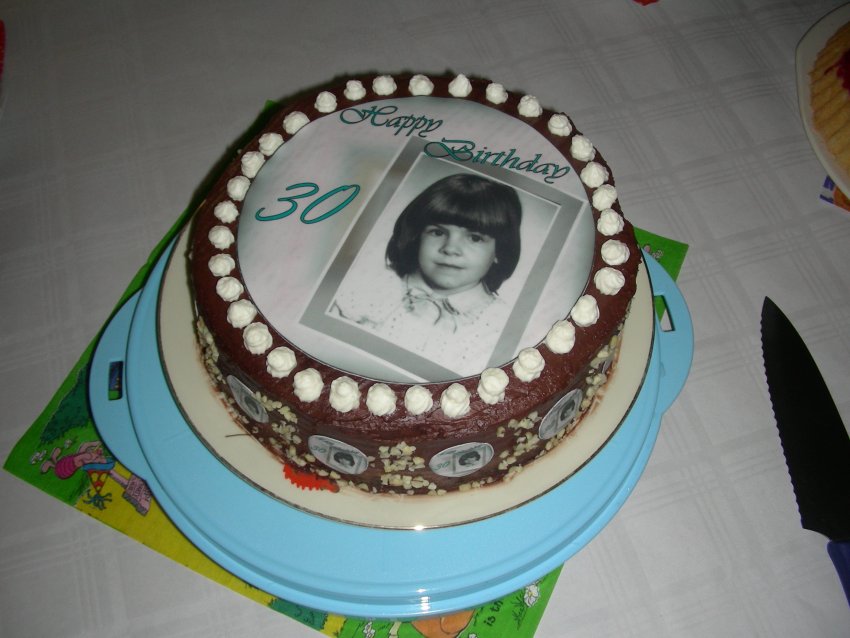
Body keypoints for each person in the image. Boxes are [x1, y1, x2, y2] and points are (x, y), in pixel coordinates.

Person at [331, 173, 523, 375]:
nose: (450, 248)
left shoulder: (499, 325)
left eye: (474, 238)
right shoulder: (366, 288)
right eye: (437, 232)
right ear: (417, 236)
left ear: (500, 251)